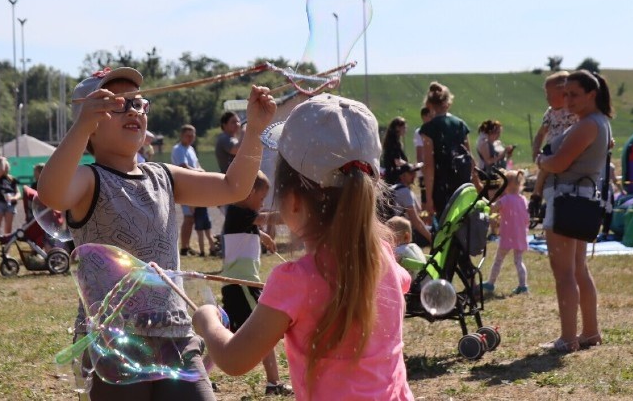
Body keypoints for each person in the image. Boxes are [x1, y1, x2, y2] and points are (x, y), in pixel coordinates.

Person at [36, 67, 275, 400]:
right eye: (118, 104)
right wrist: (80, 128)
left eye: (139, 103)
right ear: (90, 121)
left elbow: (234, 186)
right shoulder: (89, 180)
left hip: (176, 334)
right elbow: (52, 193)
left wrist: (255, 131)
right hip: (112, 341)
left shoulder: (164, 176)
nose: (134, 110)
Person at [192, 94, 414, 400]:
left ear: (292, 201)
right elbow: (403, 282)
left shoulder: (294, 282)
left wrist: (207, 320)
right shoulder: (384, 258)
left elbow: (233, 359)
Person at [535, 70, 612, 353]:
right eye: (565, 94)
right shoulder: (599, 121)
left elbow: (558, 163)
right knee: (579, 269)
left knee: (564, 272)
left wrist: (543, 160)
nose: (568, 100)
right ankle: (590, 331)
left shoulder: (586, 125)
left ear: (592, 94)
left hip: (566, 200)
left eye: (574, 94)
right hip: (579, 200)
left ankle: (568, 338)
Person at [220, 171, 292, 396]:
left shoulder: (241, 215)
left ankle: (200, 371)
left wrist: (263, 236)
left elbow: (251, 226)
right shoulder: (237, 211)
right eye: (261, 198)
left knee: (229, 332)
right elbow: (262, 219)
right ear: (249, 192)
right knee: (264, 332)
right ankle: (273, 383)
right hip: (242, 284)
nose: (261, 204)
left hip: (238, 285)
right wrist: (294, 212)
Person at [420, 82, 473, 225]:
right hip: (462, 182)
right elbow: (469, 157)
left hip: (441, 184)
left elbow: (429, 166)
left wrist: (429, 197)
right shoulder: (460, 124)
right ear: (448, 103)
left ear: (429, 105)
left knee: (445, 226)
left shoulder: (428, 129)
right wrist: (475, 183)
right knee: (463, 223)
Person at [529, 71, 577, 216]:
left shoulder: (573, 111)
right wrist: (536, 150)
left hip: (569, 148)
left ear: (563, 93)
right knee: (544, 170)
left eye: (549, 95)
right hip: (552, 148)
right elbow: (540, 134)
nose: (547, 99)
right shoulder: (550, 113)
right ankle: (536, 194)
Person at [481, 170, 529, 296]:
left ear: (505, 185)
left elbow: (492, 208)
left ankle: (491, 283)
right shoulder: (523, 199)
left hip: (508, 235)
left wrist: (483, 202)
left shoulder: (505, 199)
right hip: (520, 235)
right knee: (518, 261)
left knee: (498, 260)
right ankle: (523, 286)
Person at [171, 124, 205, 256]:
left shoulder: (190, 148)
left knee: (192, 217)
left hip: (193, 185)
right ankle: (184, 247)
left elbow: (196, 165)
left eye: (193, 135)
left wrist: (203, 172)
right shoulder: (178, 149)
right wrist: (200, 171)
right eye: (188, 135)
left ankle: (187, 246)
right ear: (182, 136)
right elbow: (183, 166)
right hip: (184, 185)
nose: (191, 138)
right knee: (188, 217)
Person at [390, 162, 432, 246]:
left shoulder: (396, 188)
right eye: (410, 173)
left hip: (392, 231)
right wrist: (431, 238)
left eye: (414, 173)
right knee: (435, 233)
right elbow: (415, 221)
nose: (414, 175)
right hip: (401, 234)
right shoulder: (405, 192)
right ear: (402, 176)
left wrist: (426, 214)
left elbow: (419, 213)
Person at [413, 106, 433, 205]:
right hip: (425, 170)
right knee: (425, 200)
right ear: (424, 117)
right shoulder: (419, 132)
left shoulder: (435, 130)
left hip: (434, 170)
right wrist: (423, 171)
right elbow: (419, 154)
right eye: (430, 116)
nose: (432, 118)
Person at [381, 116, 408, 184]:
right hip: (393, 177)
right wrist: (409, 166)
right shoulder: (393, 142)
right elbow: (397, 161)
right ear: (397, 128)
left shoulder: (393, 141)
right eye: (404, 127)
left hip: (392, 175)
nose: (405, 129)